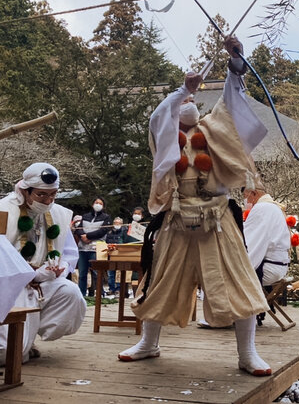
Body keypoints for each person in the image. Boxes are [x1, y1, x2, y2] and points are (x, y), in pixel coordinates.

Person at [118, 35, 272, 376]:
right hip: (176, 218)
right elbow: (159, 117)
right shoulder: (167, 133)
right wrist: (180, 89)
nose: (188, 101)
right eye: (182, 98)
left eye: (193, 97)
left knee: (240, 282)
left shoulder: (215, 129)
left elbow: (234, 102)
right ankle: (148, 343)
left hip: (217, 218)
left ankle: (247, 353)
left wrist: (235, 63)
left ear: (201, 105)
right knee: (159, 281)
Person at [0, 163, 86, 365]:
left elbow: (69, 253)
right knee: (1, 354)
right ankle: (5, 342)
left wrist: (58, 269)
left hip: (42, 282)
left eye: (53, 195)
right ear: (25, 190)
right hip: (5, 284)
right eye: (42, 195)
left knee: (70, 294)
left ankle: (29, 338)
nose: (48, 201)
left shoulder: (59, 214)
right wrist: (28, 272)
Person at [242, 186, 291, 287]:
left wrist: (241, 266)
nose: (245, 201)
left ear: (254, 193)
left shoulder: (262, 208)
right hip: (279, 265)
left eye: (245, 196)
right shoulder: (272, 207)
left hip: (269, 266)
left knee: (230, 276)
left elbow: (252, 243)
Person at [73, 197, 112, 297]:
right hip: (83, 248)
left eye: (100, 203)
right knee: (82, 273)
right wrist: (83, 236)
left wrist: (89, 236)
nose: (98, 204)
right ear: (92, 204)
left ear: (103, 206)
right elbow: (78, 228)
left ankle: (100, 293)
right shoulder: (85, 216)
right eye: (96, 202)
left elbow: (103, 231)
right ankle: (81, 294)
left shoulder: (106, 217)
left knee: (96, 273)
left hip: (96, 248)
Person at [105, 216, 127, 294]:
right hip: (111, 255)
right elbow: (106, 242)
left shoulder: (124, 232)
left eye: (119, 223)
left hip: (120, 254)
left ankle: (118, 288)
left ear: (122, 224)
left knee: (119, 273)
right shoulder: (109, 233)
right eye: (115, 223)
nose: (117, 224)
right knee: (110, 273)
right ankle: (111, 288)